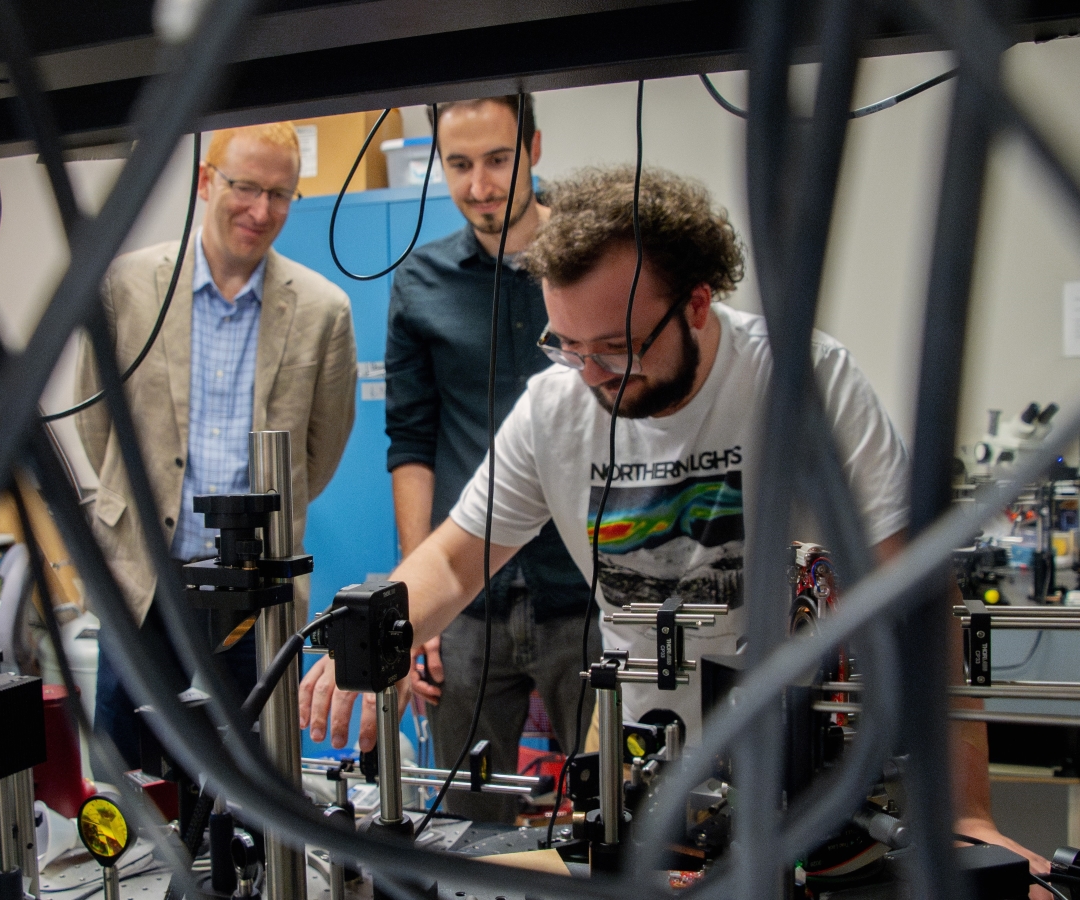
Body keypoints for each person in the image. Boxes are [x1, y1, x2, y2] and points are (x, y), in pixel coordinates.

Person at [301, 164, 1048, 880]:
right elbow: (455, 560)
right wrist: (376, 638)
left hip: (807, 767)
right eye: (567, 345)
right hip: (646, 768)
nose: (592, 376)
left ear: (696, 303)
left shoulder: (804, 382)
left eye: (617, 348)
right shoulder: (554, 407)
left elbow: (917, 594)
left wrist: (967, 812)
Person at [78, 122, 357, 768]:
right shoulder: (125, 286)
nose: (261, 210)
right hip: (144, 575)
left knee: (257, 768)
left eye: (280, 194)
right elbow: (94, 419)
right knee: (129, 770)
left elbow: (318, 456)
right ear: (206, 181)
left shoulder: (324, 311)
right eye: (246, 187)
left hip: (254, 587)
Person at [385, 95, 598, 822]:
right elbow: (411, 442)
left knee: (623, 815)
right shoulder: (421, 283)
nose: (479, 186)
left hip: (586, 591)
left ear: (533, 148)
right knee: (464, 824)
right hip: (467, 602)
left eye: (499, 160)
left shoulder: (596, 264)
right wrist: (415, 608)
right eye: (459, 164)